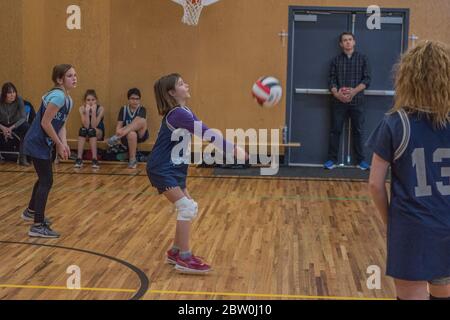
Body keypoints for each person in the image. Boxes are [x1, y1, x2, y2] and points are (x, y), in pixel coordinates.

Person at [367, 40, 450, 300]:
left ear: (406, 77)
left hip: (411, 229)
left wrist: (390, 221)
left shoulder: (395, 122)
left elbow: (375, 184)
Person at [148, 73, 247, 274]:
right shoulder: (178, 114)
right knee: (186, 207)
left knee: (189, 209)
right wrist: (234, 150)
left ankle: (175, 252)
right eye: (181, 84)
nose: (187, 85)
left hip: (175, 167)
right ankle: (184, 258)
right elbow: (208, 134)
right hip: (162, 167)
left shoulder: (184, 111)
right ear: (172, 92)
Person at [21, 64, 77, 238]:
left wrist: (64, 142)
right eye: (69, 76)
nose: (74, 78)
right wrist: (58, 144)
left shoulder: (68, 99)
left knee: (44, 178)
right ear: (59, 79)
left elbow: (61, 124)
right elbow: (45, 123)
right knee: (47, 180)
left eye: (75, 75)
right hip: (37, 141)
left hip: (44, 142)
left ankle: (31, 211)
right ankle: (37, 225)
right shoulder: (58, 96)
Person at [324, 32, 371, 171]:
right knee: (335, 130)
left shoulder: (363, 59)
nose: (348, 42)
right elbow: (331, 80)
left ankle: (361, 161)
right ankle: (332, 160)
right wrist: (337, 94)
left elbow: (367, 80)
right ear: (341, 44)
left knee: (358, 130)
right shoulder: (335, 61)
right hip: (339, 102)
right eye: (345, 40)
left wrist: (353, 92)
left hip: (357, 101)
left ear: (354, 42)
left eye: (350, 40)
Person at [107, 88, 149, 169]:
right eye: (132, 98)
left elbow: (138, 121)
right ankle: (132, 160)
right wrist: (120, 132)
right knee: (132, 133)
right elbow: (118, 127)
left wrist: (121, 132)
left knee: (142, 120)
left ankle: (116, 138)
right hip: (127, 137)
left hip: (141, 134)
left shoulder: (142, 109)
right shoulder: (123, 109)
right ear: (128, 99)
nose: (135, 101)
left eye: (137, 99)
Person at [0, 82, 31, 166]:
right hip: (1, 124)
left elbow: (23, 117)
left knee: (27, 128)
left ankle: (22, 157)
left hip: (15, 124)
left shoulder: (19, 99)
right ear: (4, 94)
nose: (12, 95)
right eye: (9, 93)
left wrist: (11, 128)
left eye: (14, 92)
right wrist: (3, 128)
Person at [75, 89, 105, 169]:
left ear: (96, 100)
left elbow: (94, 125)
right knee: (82, 130)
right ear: (85, 101)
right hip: (86, 132)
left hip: (98, 132)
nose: (90, 102)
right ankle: (79, 159)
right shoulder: (81, 108)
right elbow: (86, 126)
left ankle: (94, 159)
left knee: (92, 130)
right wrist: (87, 112)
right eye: (88, 100)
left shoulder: (100, 109)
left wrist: (94, 111)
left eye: (93, 100)